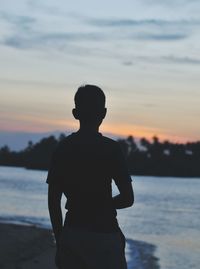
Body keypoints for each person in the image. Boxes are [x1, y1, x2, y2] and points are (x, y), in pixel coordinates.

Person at [47, 84, 134, 269]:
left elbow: (53, 201)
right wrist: (101, 205)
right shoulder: (111, 149)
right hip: (106, 235)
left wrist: (60, 240)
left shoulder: (63, 148)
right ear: (103, 113)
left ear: (75, 113)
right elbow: (128, 198)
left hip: (73, 234)